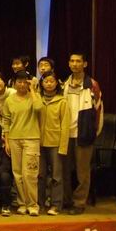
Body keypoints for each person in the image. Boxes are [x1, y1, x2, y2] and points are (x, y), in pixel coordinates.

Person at [62, 52, 103, 215]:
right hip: (66, 135)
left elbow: (99, 110)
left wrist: (94, 133)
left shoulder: (92, 85)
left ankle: (79, 203)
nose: (75, 64)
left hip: (84, 134)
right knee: (64, 170)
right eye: (72, 61)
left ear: (84, 64)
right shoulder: (64, 84)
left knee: (82, 172)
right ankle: (66, 200)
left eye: (78, 61)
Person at [2, 70, 43, 216]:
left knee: (30, 174)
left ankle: (33, 204)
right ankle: (22, 203)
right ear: (14, 83)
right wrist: (7, 141)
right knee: (17, 173)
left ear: (28, 83)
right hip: (14, 139)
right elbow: (6, 121)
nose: (21, 85)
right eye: (18, 82)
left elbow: (38, 108)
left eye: (24, 82)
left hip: (31, 138)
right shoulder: (9, 100)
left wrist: (32, 90)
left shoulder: (35, 97)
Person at [39, 71, 70, 216]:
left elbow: (65, 125)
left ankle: (56, 204)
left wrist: (63, 147)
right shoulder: (37, 100)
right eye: (46, 81)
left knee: (57, 176)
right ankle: (39, 203)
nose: (49, 84)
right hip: (39, 143)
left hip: (55, 143)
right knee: (40, 175)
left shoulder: (62, 101)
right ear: (42, 83)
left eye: (52, 81)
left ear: (56, 83)